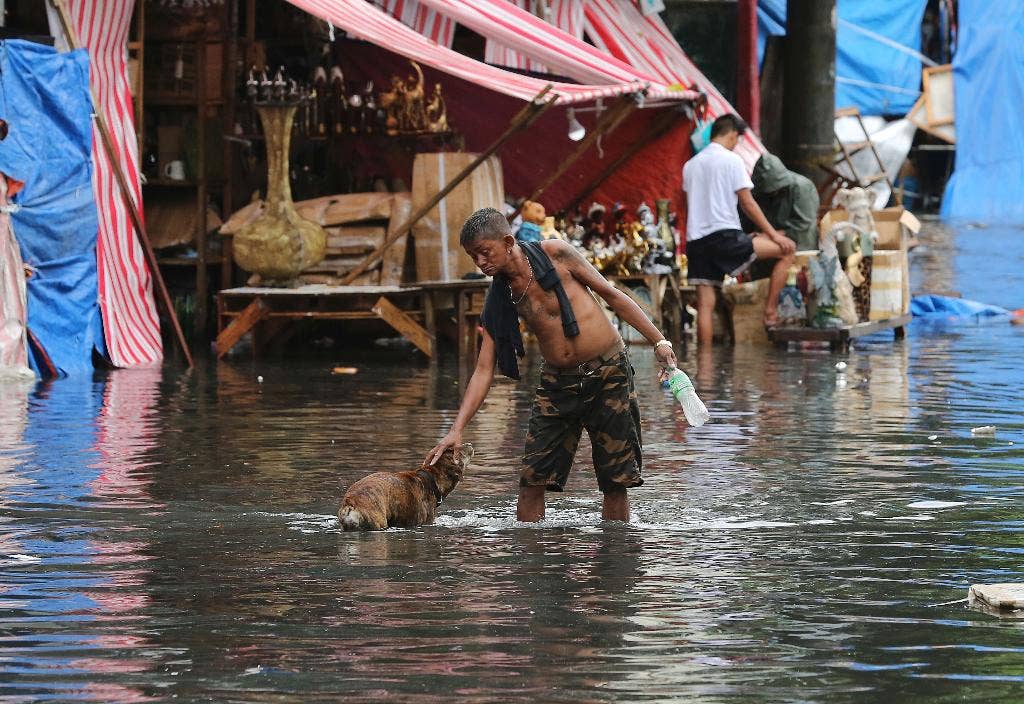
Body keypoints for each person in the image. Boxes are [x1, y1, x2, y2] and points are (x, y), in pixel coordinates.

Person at [423, 207, 678, 522]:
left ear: (507, 242)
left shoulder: (556, 253)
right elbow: (484, 368)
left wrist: (659, 342)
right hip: (558, 384)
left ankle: (617, 549)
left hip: (609, 373)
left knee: (615, 482)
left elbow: (611, 295)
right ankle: (529, 551)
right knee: (532, 480)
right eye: (473, 256)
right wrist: (456, 429)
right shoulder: (500, 297)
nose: (480, 262)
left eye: (484, 252)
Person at [682, 114, 795, 344]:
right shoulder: (732, 160)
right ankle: (770, 313)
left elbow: (690, 204)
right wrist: (774, 235)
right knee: (788, 250)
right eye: (737, 140)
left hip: (696, 241)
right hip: (725, 236)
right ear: (733, 134)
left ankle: (704, 364)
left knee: (705, 304)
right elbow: (748, 203)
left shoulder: (690, 165)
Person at [747, 152, 820, 251]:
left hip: (800, 241)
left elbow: (803, 225)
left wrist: (769, 235)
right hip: (769, 238)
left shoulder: (801, 187)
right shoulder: (757, 191)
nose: (771, 193)